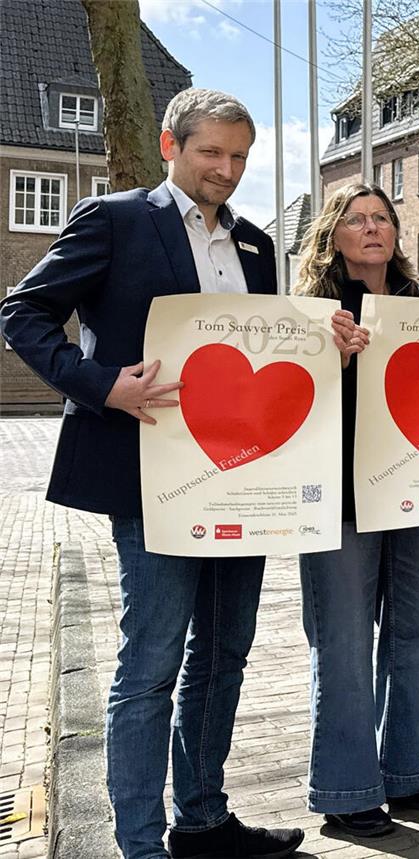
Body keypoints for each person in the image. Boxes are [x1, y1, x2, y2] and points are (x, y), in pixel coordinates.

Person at [0, 89, 302, 859]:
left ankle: (201, 819)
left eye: (239, 156)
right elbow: (23, 313)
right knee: (153, 659)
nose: (226, 170)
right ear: (171, 145)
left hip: (241, 478)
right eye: (211, 153)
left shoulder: (261, 247)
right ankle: (139, 843)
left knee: (225, 652)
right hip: (148, 475)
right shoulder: (115, 219)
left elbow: (267, 353)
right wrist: (102, 383)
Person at [293, 182, 419, 837]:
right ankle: (346, 786)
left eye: (382, 218)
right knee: (344, 640)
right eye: (356, 219)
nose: (371, 228)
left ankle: (404, 770)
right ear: (332, 234)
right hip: (339, 497)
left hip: (417, 489)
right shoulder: (311, 311)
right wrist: (319, 348)